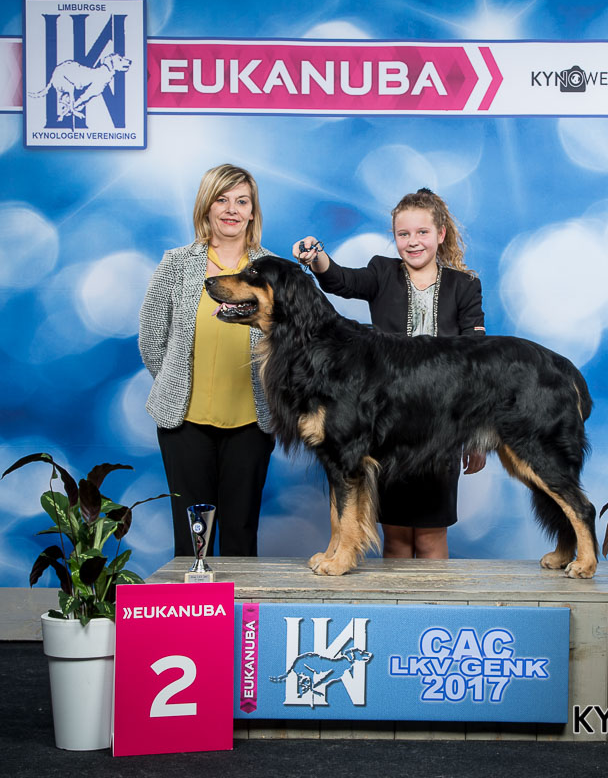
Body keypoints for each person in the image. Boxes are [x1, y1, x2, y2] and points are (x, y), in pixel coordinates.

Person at [293, 188, 486, 560]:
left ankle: (433, 601)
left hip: (442, 425)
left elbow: (476, 359)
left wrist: (475, 433)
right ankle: (395, 602)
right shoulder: (382, 272)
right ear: (395, 237)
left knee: (430, 537)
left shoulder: (465, 287)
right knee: (395, 538)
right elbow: (341, 280)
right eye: (403, 234)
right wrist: (317, 258)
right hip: (387, 426)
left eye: (422, 232)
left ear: (441, 234)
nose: (413, 242)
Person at [139, 163, 275, 558]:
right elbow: (152, 339)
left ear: (252, 211)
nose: (232, 209)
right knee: (191, 540)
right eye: (222, 199)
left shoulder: (271, 270)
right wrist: (175, 381)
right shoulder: (177, 264)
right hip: (185, 423)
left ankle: (239, 603)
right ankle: (194, 601)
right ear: (206, 206)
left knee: (241, 534)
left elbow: (286, 342)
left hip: (251, 423)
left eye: (242, 201)